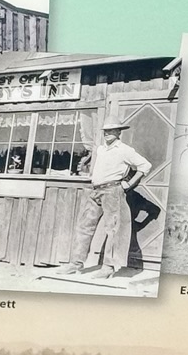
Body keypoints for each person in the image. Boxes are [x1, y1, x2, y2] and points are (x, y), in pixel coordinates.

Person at [57, 117, 151, 278]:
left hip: (112, 191)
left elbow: (145, 166)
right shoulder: (101, 149)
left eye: (112, 130)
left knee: (113, 230)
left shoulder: (124, 150)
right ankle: (75, 263)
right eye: (106, 131)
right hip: (95, 191)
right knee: (84, 226)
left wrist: (128, 185)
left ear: (119, 132)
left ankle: (108, 267)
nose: (107, 133)